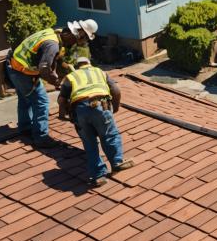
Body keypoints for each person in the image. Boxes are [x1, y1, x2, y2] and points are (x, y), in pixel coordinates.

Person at [7, 19, 97, 149]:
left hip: (14, 66)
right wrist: (56, 82)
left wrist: (60, 72)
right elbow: (44, 69)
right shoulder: (52, 45)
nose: (75, 44)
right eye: (76, 41)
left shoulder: (55, 33)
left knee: (25, 99)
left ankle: (25, 128)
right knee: (41, 101)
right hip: (22, 72)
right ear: (71, 35)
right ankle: (41, 138)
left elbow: (53, 59)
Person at [57, 57, 133, 187]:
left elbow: (62, 100)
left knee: (89, 143)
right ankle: (117, 162)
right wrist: (115, 107)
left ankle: (98, 176)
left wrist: (62, 115)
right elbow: (116, 90)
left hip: (80, 110)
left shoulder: (71, 77)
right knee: (110, 135)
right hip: (100, 105)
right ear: (89, 63)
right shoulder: (100, 72)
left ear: (78, 65)